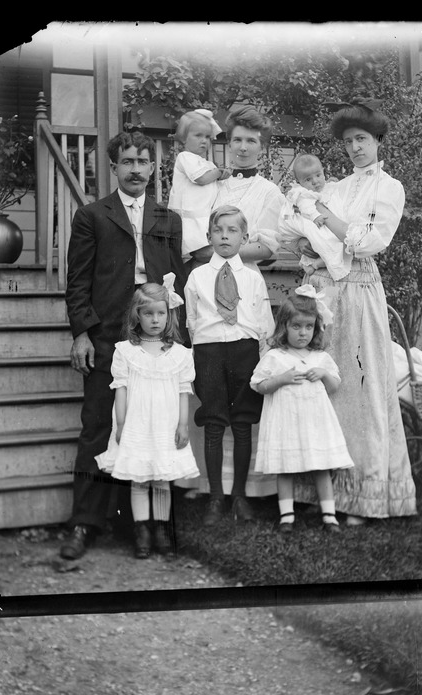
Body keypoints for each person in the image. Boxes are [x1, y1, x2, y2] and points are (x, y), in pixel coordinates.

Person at [61, 130, 187, 560]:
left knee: (154, 425)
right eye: (127, 162)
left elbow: (176, 281)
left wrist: (175, 340)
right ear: (113, 167)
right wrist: (81, 333)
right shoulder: (92, 216)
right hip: (108, 335)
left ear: (153, 167)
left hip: (154, 337)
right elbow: (77, 279)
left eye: (143, 161)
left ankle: (149, 526)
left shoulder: (168, 219)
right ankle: (85, 522)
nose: (136, 170)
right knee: (100, 425)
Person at [293, 98, 417, 524]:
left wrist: (327, 221)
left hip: (362, 291)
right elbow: (310, 232)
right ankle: (325, 495)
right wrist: (319, 226)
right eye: (348, 142)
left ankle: (365, 496)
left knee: (362, 391)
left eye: (362, 139)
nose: (355, 148)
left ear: (378, 141)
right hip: (326, 289)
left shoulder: (389, 188)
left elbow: (367, 242)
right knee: (327, 386)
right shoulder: (337, 188)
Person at [176, 105, 285, 499]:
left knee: (243, 391)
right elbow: (193, 225)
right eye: (236, 139)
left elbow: (268, 246)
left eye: (251, 142)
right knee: (210, 388)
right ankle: (206, 484)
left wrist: (222, 255)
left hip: (244, 286)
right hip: (206, 288)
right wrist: (205, 254)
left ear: (262, 148)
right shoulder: (213, 183)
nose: (242, 147)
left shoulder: (269, 192)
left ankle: (247, 489)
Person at [95, 277, 199, 558]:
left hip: (166, 423)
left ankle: (162, 531)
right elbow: (120, 390)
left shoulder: (180, 354)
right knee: (139, 478)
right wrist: (121, 424)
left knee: (162, 478)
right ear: (137, 315)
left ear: (169, 315)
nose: (155, 320)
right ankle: (141, 531)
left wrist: (182, 424)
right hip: (136, 423)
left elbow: (182, 391)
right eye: (148, 313)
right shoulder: (125, 352)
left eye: (161, 313)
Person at [184, 205, 274, 526]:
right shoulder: (196, 276)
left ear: (244, 237)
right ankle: (215, 497)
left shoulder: (252, 278)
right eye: (218, 230)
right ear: (208, 237)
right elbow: (192, 321)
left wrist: (261, 361)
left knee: (242, 424)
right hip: (209, 352)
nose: (224, 235)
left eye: (232, 230)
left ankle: (239, 495)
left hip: (245, 352)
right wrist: (201, 352)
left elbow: (264, 323)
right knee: (213, 424)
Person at [250, 286, 354, 532]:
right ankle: (287, 516)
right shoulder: (275, 356)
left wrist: (324, 374)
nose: (303, 333)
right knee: (285, 467)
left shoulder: (320, 358)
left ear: (316, 328)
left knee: (321, 466)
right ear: (284, 326)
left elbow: (335, 385)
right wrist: (281, 379)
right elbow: (259, 385)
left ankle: (329, 515)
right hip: (285, 423)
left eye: (308, 327)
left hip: (315, 423)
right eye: (296, 327)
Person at [167, 109, 231, 267]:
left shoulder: (207, 164)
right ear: (183, 138)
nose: (204, 141)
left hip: (203, 217)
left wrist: (222, 175)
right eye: (198, 135)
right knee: (205, 253)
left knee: (205, 259)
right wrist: (218, 172)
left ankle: (189, 272)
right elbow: (201, 178)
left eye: (208, 137)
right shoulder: (185, 158)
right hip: (188, 218)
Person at [278, 153, 348, 281]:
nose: (315, 181)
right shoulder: (303, 194)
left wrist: (333, 183)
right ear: (299, 182)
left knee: (332, 243)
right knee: (325, 242)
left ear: (323, 172)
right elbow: (306, 208)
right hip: (316, 222)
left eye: (318, 175)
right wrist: (316, 217)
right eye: (308, 180)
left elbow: (335, 193)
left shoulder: (328, 187)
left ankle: (316, 263)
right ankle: (315, 264)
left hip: (333, 227)